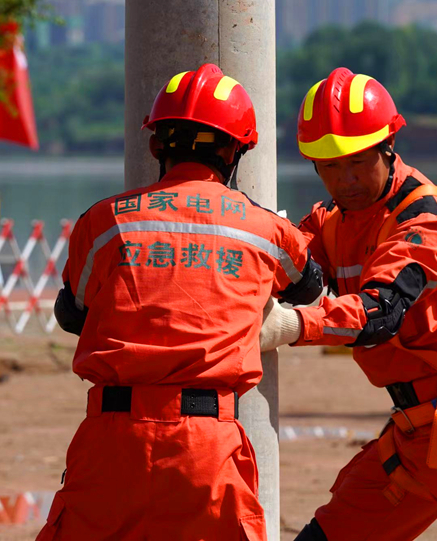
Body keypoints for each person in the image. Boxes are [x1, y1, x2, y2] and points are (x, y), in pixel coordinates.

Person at [36, 63, 324, 541]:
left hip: (112, 441)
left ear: (156, 146)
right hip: (206, 446)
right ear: (234, 151)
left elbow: (73, 314)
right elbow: (308, 287)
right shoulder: (267, 230)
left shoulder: (103, 221)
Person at [260, 67, 437, 541]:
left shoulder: (428, 220)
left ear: (388, 146)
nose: (345, 179)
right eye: (329, 166)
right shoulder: (332, 221)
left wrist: (290, 325)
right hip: (417, 438)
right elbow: (281, 258)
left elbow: (381, 312)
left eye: (357, 161)